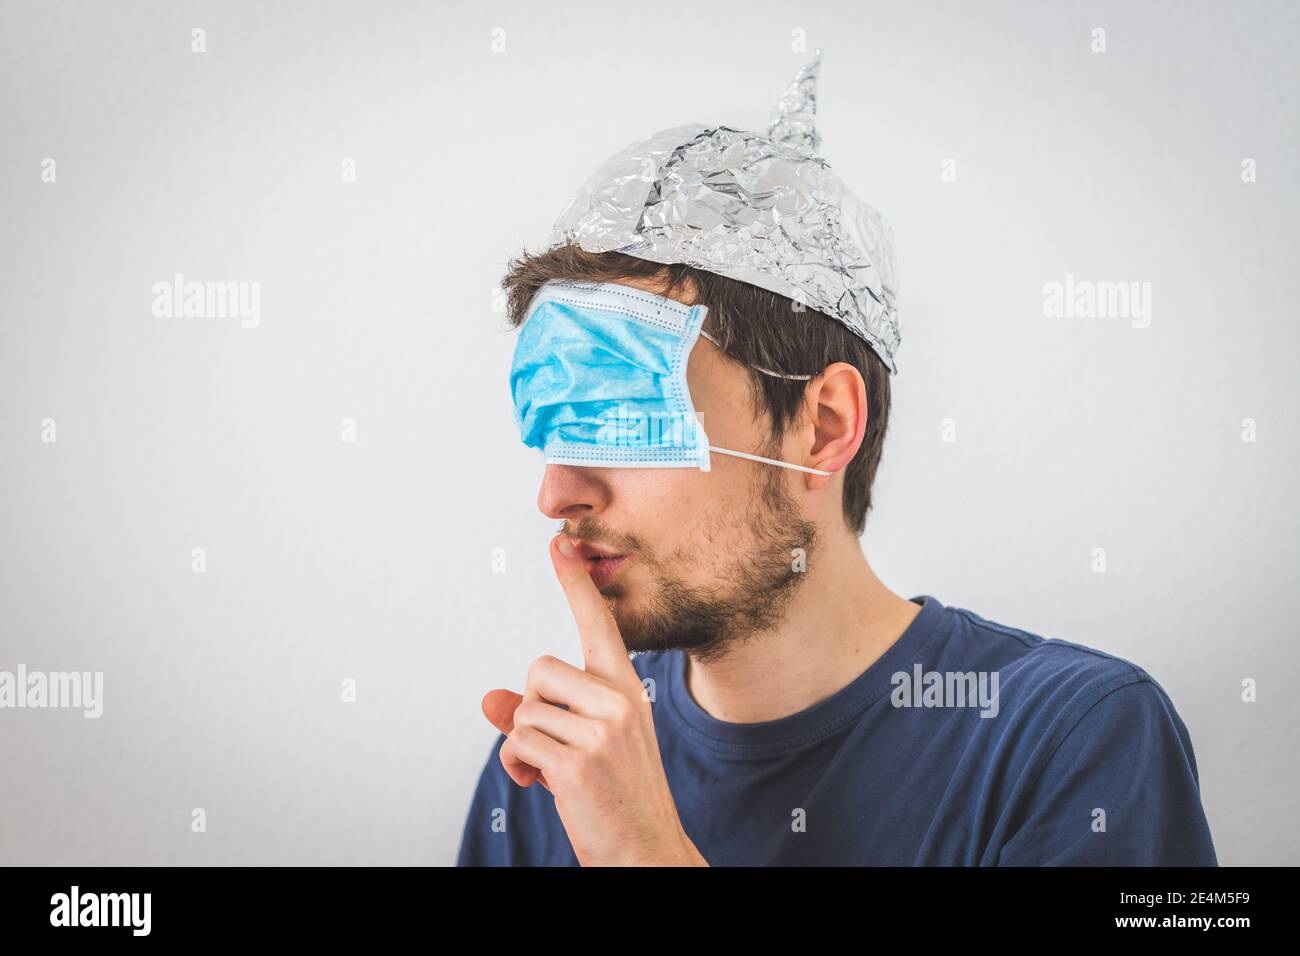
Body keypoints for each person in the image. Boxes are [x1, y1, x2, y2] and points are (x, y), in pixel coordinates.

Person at [456, 52, 1217, 867]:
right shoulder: (549, 773)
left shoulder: (1074, 741)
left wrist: (645, 852)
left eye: (622, 416)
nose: (556, 491)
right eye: (553, 424)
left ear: (822, 426)